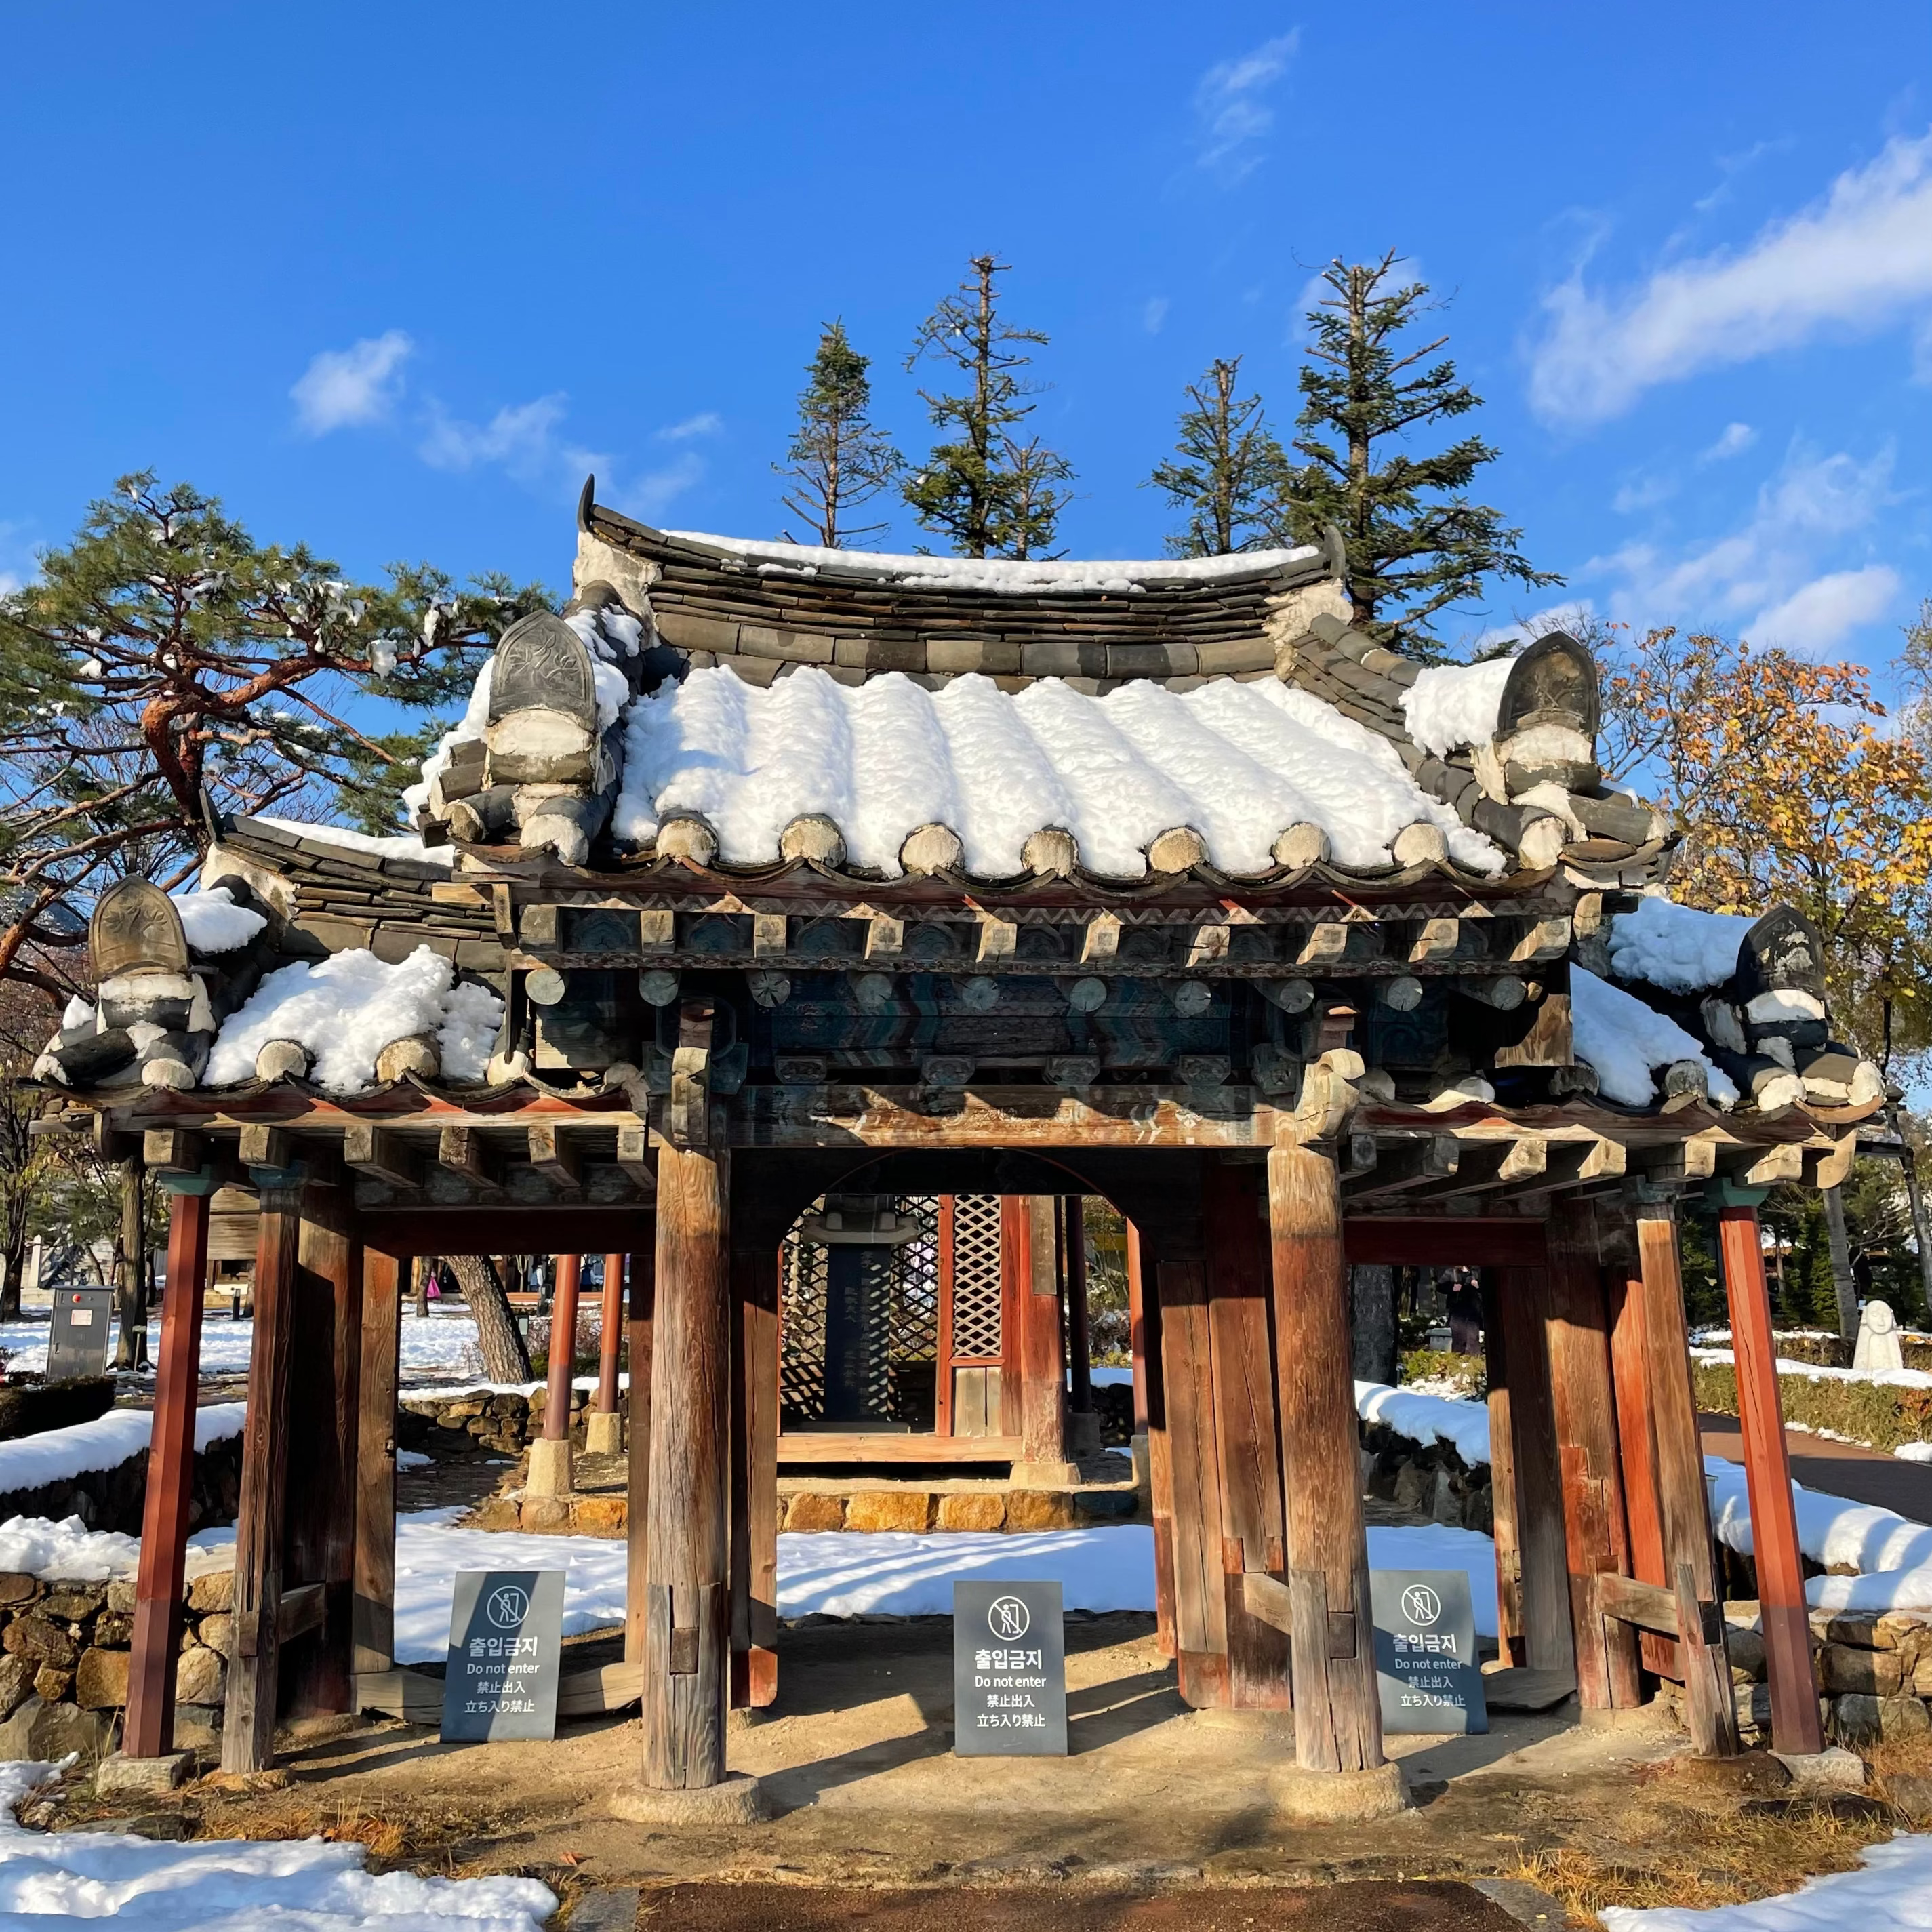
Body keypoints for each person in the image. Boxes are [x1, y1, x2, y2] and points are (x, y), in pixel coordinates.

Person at [1444, 1268, 1483, 1356]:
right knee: (1458, 1332)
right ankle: (1458, 1355)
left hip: (1473, 1308)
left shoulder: (1476, 1272)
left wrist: (1477, 1285)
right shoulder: (1451, 1272)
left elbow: (1487, 1288)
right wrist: (1452, 1288)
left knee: (1473, 1334)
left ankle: (1473, 1356)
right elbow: (1440, 1286)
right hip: (1457, 1307)